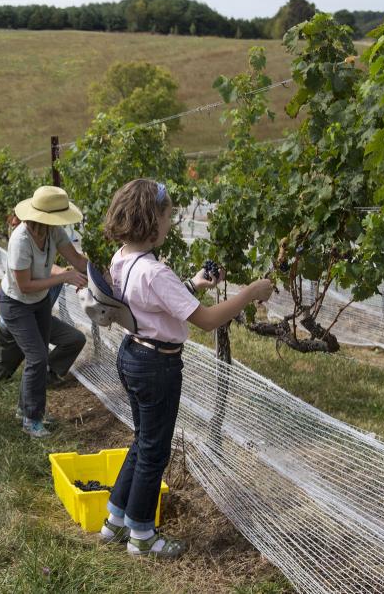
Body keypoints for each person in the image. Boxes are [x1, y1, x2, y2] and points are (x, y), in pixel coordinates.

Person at [98, 179, 273, 558]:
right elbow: (207, 321)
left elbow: (156, 304)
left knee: (142, 441)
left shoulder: (122, 258)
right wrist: (249, 294)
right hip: (157, 365)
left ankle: (115, 519)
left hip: (132, 354)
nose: (171, 222)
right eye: (167, 216)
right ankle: (142, 535)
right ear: (152, 220)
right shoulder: (155, 272)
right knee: (154, 452)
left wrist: (193, 284)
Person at [0, 186, 89, 438]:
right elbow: (25, 286)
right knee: (37, 357)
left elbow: (77, 259)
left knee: (38, 359)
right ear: (43, 217)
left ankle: (26, 408)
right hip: (16, 305)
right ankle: (31, 420)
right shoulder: (21, 241)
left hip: (37, 303)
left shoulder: (54, 232)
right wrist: (65, 277)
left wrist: (104, 276)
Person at [0, 270, 86, 389]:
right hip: (16, 322)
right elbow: (43, 269)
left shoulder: (57, 254)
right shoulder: (34, 253)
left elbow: (78, 261)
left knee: (74, 339)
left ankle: (47, 376)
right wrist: (66, 274)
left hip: (40, 319)